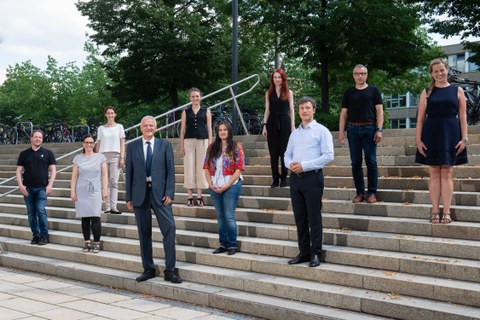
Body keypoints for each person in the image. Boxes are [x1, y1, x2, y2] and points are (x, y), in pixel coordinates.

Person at [125, 116, 182, 284]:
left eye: (151, 125)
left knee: (169, 228)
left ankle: (170, 270)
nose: (148, 128)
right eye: (145, 125)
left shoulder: (164, 145)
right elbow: (129, 173)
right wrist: (128, 196)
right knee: (144, 233)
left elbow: (170, 170)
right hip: (139, 194)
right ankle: (148, 268)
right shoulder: (133, 146)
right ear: (141, 127)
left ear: (155, 128)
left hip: (161, 195)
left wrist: (170, 193)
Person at [415, 58, 468, 224]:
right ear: (432, 74)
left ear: (447, 70)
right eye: (435, 71)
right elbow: (420, 119)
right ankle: (435, 211)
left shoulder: (458, 91)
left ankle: (446, 211)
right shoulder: (426, 92)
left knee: (446, 173)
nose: (439, 73)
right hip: (431, 134)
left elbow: (463, 116)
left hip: (451, 134)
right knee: (433, 173)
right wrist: (418, 140)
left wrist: (464, 138)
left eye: (442, 70)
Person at [285, 97, 334, 268]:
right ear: (298, 111)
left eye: (307, 108)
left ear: (314, 110)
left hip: (313, 178)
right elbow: (287, 154)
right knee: (299, 217)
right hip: (295, 180)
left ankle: (316, 253)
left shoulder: (322, 131)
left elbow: (328, 155)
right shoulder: (295, 133)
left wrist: (304, 166)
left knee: (314, 217)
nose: (304, 111)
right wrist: (289, 164)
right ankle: (304, 252)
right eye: (301, 108)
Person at [339, 64, 384, 203]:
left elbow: (380, 111)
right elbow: (343, 114)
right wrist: (341, 132)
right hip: (352, 130)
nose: (360, 76)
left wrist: (379, 129)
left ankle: (371, 193)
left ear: (366, 75)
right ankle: (360, 192)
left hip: (369, 129)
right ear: (353, 75)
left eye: (363, 73)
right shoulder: (349, 92)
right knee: (356, 162)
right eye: (357, 74)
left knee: (371, 161)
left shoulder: (374, 90)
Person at [203, 121, 245, 255]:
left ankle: (232, 245)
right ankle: (223, 244)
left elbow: (239, 169)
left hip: (231, 185)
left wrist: (226, 185)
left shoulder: (236, 147)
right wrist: (210, 184)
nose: (222, 132)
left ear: (229, 131)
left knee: (229, 216)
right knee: (220, 217)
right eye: (220, 130)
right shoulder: (212, 147)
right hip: (215, 186)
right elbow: (206, 167)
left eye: (225, 130)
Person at [16, 130, 57, 246]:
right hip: (27, 189)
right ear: (31, 138)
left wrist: (50, 185)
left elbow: (53, 170)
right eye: (36, 137)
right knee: (31, 213)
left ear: (42, 139)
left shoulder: (48, 153)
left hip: (42, 189)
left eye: (40, 137)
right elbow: (18, 171)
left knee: (40, 210)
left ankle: (44, 235)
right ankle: (36, 235)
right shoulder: (24, 154)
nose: (38, 139)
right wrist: (20, 185)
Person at [71, 135, 108, 253]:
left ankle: (96, 242)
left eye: (91, 142)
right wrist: (72, 191)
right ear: (83, 144)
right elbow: (74, 176)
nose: (89, 145)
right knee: (85, 217)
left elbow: (104, 175)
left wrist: (105, 190)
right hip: (82, 189)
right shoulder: (77, 158)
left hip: (95, 188)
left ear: (94, 144)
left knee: (95, 216)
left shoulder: (100, 157)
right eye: (86, 142)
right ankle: (86, 242)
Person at [262, 68, 295, 188]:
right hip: (272, 123)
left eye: (279, 77)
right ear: (272, 79)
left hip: (285, 122)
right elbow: (267, 110)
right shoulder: (269, 93)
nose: (277, 79)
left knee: (284, 152)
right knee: (274, 153)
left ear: (283, 78)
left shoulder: (289, 92)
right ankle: (275, 179)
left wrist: (292, 126)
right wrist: (264, 126)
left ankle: (284, 179)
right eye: (275, 77)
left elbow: (291, 110)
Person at [180, 88, 212, 207]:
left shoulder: (206, 111)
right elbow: (182, 130)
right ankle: (189, 197)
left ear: (200, 97)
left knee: (201, 169)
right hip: (188, 142)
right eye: (193, 96)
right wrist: (182, 145)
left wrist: (210, 144)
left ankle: (199, 196)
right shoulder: (185, 112)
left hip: (203, 142)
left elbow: (209, 128)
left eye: (197, 96)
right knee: (189, 168)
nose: (195, 98)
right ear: (190, 98)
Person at [95, 106, 126, 214]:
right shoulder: (101, 128)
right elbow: (98, 144)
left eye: (112, 113)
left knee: (114, 182)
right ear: (105, 115)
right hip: (103, 156)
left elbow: (122, 143)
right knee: (105, 182)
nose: (110, 115)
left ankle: (114, 206)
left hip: (115, 156)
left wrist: (122, 157)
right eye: (108, 113)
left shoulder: (119, 127)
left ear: (115, 114)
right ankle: (107, 206)